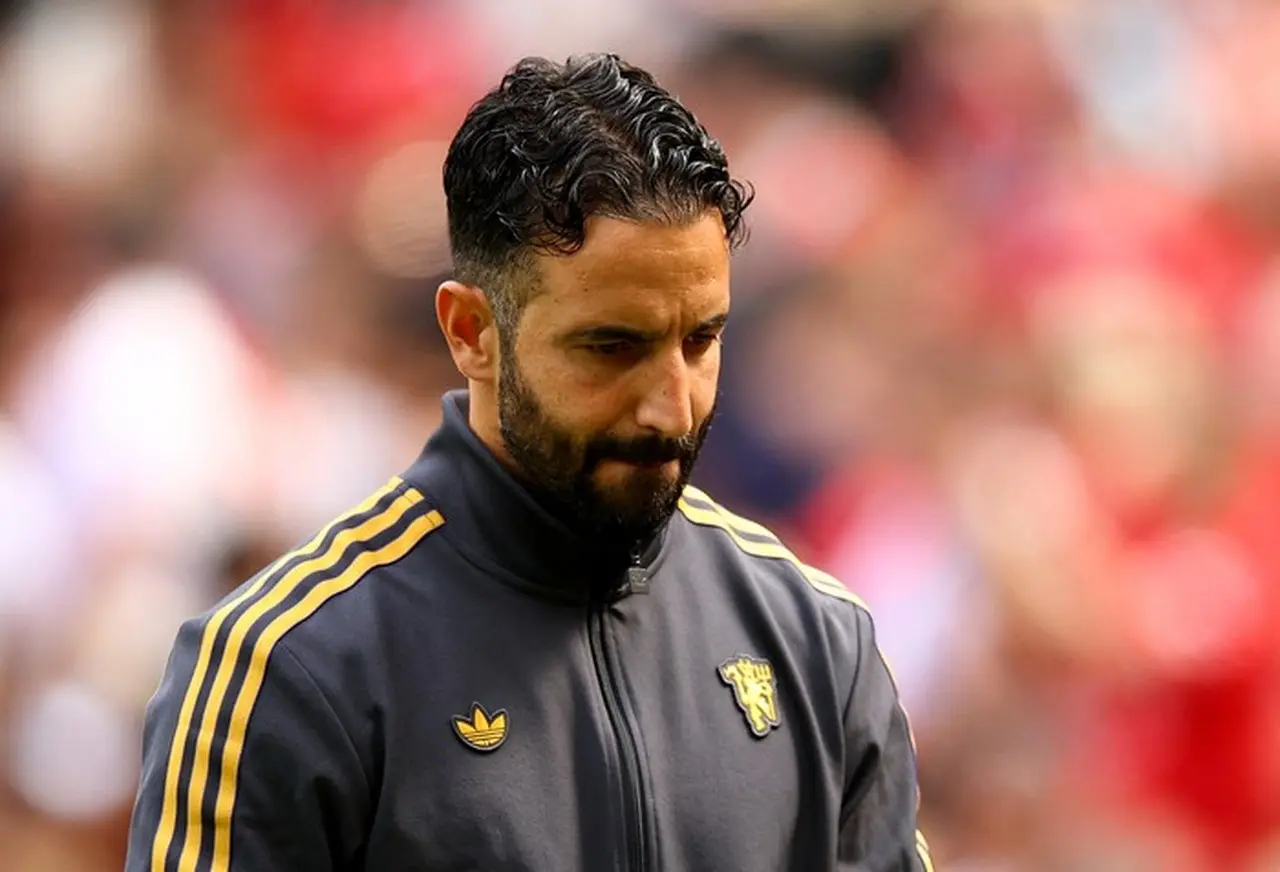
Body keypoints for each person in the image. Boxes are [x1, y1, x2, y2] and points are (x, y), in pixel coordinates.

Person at [125, 54, 934, 872]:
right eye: (611, 346)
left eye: (700, 341)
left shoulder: (817, 642)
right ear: (471, 333)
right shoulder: (285, 668)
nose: (673, 406)